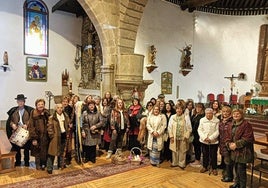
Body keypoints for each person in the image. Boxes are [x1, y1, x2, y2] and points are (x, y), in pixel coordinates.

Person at [226, 109, 254, 188]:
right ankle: (236, 184)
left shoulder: (246, 124)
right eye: (234, 114)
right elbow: (228, 136)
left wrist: (236, 144)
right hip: (234, 151)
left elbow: (248, 138)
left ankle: (242, 186)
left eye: (238, 114)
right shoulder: (232, 124)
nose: (236, 115)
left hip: (243, 151)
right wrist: (229, 144)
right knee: (235, 167)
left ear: (242, 115)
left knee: (241, 169)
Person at [6, 94, 34, 167]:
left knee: (26, 148)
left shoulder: (29, 110)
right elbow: (10, 121)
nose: (20, 102)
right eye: (19, 101)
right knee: (17, 148)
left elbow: (31, 120)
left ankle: (27, 162)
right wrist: (12, 125)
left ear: (24, 102)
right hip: (16, 132)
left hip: (25, 132)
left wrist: (27, 124)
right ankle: (18, 161)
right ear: (17, 102)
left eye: (22, 101)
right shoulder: (14, 111)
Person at [47, 104, 71, 174]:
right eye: (58, 108)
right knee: (52, 153)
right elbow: (49, 127)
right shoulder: (52, 117)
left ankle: (61, 164)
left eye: (61, 108)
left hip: (63, 135)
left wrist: (69, 126)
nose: (60, 109)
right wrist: (52, 135)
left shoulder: (66, 116)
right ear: (55, 109)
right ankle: (49, 167)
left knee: (62, 152)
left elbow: (67, 124)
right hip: (55, 137)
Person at [168, 103, 192, 169]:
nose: (179, 110)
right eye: (177, 108)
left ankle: (182, 164)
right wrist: (171, 136)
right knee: (174, 150)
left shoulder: (186, 117)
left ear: (182, 110)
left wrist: (186, 136)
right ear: (176, 109)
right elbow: (169, 127)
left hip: (183, 137)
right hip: (174, 137)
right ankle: (174, 162)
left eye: (180, 109)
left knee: (182, 150)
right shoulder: (172, 117)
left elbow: (189, 128)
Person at [28, 99, 50, 170]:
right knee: (37, 151)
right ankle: (38, 164)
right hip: (37, 136)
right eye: (39, 104)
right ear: (36, 106)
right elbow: (31, 125)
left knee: (45, 151)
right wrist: (34, 138)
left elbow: (50, 123)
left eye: (42, 104)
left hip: (45, 136)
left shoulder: (46, 112)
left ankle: (44, 164)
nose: (41, 106)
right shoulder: (33, 113)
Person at [198, 108, 219, 176]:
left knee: (213, 155)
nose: (208, 115)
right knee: (204, 154)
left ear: (212, 113)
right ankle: (205, 166)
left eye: (210, 113)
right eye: (207, 113)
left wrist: (211, 138)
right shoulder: (202, 120)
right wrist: (204, 137)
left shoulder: (217, 120)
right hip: (204, 140)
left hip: (213, 141)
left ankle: (214, 168)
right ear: (205, 113)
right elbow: (199, 129)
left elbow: (217, 131)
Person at [219, 105, 234, 182]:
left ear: (230, 113)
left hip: (228, 143)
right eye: (223, 111)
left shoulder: (232, 122)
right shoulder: (221, 120)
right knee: (225, 159)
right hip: (222, 142)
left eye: (227, 112)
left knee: (228, 160)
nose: (225, 113)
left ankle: (229, 177)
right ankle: (226, 173)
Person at [190, 102, 205, 167]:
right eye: (197, 107)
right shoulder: (194, 115)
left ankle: (198, 161)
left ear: (202, 108)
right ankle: (197, 159)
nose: (198, 108)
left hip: (198, 134)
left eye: (200, 107)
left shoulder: (202, 116)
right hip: (194, 134)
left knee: (198, 147)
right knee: (196, 147)